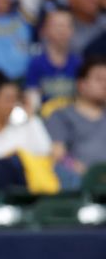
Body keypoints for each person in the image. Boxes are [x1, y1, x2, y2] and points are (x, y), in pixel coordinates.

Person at [46, 58, 106, 189]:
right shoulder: (61, 115)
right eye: (99, 79)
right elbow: (58, 153)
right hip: (79, 181)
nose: (104, 85)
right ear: (81, 84)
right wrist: (87, 173)